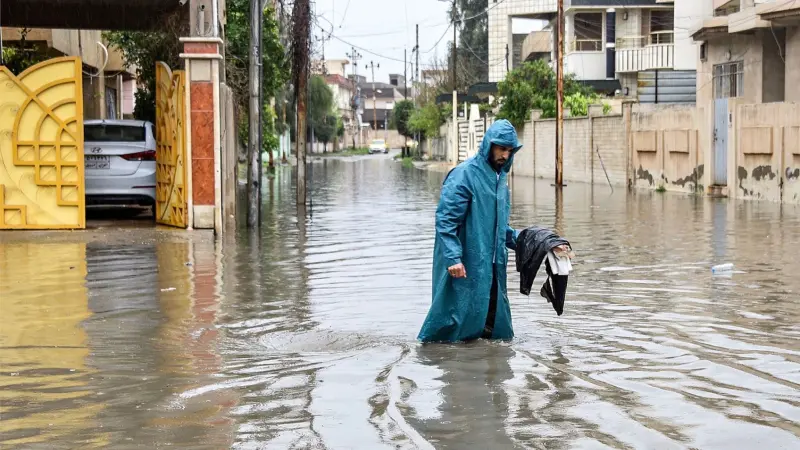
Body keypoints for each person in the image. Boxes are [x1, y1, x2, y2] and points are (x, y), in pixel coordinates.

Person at [418, 119, 522, 343]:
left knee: (492, 325)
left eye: (510, 150)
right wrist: (453, 258)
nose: (505, 155)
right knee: (454, 323)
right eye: (501, 148)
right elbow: (446, 220)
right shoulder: (464, 175)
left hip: (493, 265)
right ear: (489, 145)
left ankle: (488, 371)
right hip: (464, 264)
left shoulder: (500, 179)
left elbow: (498, 228)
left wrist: (525, 240)